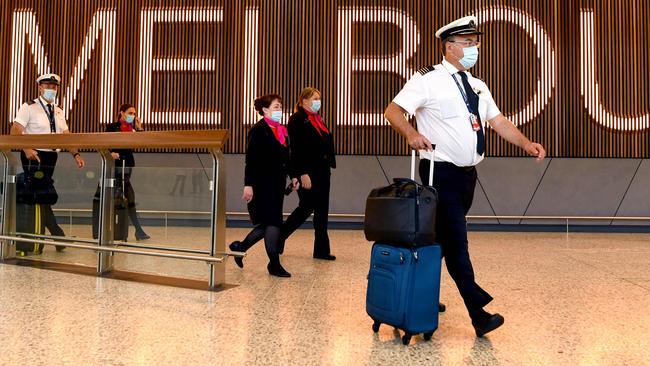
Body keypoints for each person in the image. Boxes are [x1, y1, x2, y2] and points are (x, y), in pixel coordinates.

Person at [384, 16, 546, 337]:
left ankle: (413, 294)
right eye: (468, 43)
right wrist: (410, 134)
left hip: (467, 177)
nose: (474, 48)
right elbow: (392, 111)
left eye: (475, 42)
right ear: (450, 47)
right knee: (457, 242)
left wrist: (526, 143)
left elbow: (498, 122)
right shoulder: (427, 79)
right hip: (438, 173)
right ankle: (478, 314)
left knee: (440, 241)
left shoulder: (477, 85)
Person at [11, 73, 86, 252]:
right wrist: (26, 149)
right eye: (47, 86)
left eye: (54, 86)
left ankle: (56, 235)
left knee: (41, 196)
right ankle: (56, 236)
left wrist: (75, 154)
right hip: (35, 156)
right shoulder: (28, 107)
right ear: (40, 87)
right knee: (40, 194)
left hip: (52, 157)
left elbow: (65, 135)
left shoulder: (58, 111)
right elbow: (15, 130)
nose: (51, 89)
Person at [229, 94, 299, 277]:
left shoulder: (282, 130)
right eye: (276, 107)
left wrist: (293, 176)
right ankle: (274, 264)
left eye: (280, 107)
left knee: (267, 224)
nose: (279, 110)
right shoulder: (258, 130)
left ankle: (240, 246)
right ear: (265, 110)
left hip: (276, 185)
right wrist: (248, 184)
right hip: (261, 184)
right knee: (274, 223)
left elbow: (288, 157)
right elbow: (250, 160)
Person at [280, 87, 336, 260]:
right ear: (304, 101)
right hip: (308, 172)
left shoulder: (318, 119)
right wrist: (301, 173)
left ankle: (321, 250)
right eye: (314, 98)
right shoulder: (297, 119)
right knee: (306, 207)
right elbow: (295, 150)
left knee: (322, 210)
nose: (318, 101)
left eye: (319, 98)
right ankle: (280, 236)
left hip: (322, 171)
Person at [104, 103, 150, 241]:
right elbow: (103, 144)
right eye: (130, 113)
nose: (133, 116)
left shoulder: (133, 130)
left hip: (127, 166)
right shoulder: (112, 127)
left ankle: (137, 230)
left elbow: (144, 143)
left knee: (128, 197)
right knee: (124, 197)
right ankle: (135, 230)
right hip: (115, 167)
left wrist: (140, 128)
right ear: (122, 113)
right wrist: (111, 153)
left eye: (134, 113)